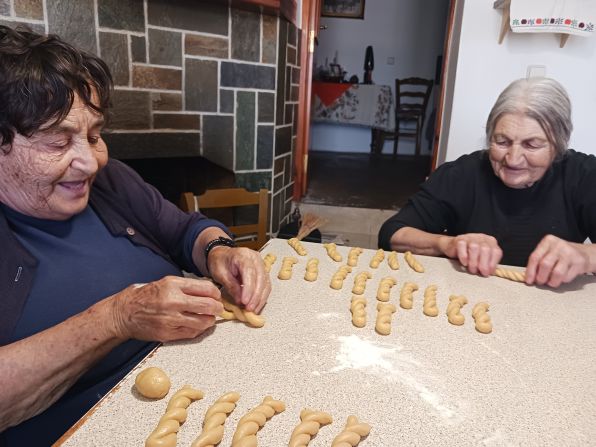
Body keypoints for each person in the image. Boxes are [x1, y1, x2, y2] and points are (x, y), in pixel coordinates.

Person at [0, 25, 271, 445]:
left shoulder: (109, 183)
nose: (90, 162)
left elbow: (184, 229)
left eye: (94, 135)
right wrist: (117, 317)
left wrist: (218, 250)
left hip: (199, 394)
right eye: (58, 142)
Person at [379, 77, 596, 288]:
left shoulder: (584, 175)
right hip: (470, 296)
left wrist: (586, 255)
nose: (512, 159)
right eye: (502, 141)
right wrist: (448, 244)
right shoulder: (461, 175)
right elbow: (392, 234)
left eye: (532, 145)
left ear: (558, 145)